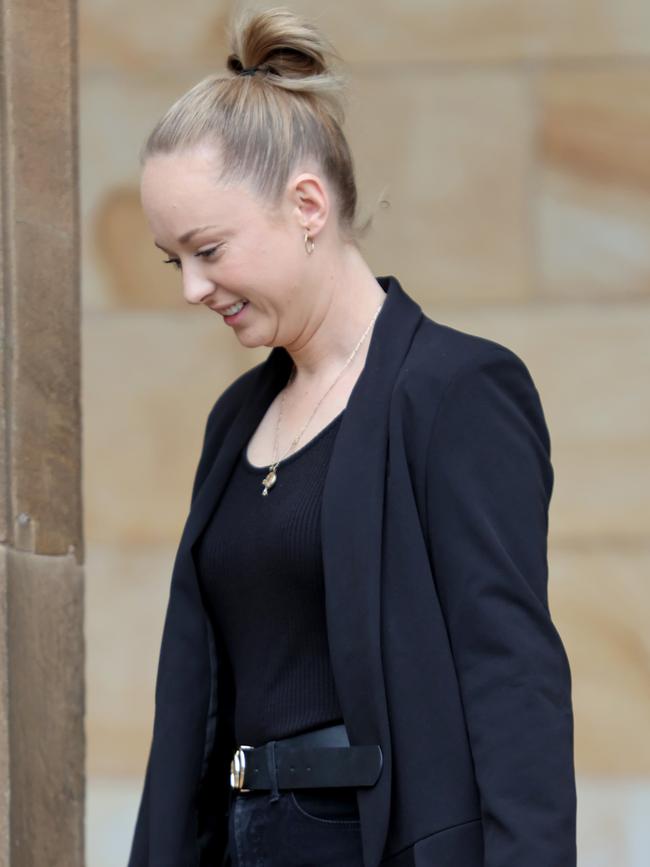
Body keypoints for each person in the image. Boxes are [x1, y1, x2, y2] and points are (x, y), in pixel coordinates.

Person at [128, 6, 577, 867]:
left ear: (307, 204)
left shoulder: (455, 391)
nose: (191, 287)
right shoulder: (235, 421)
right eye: (171, 260)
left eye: (208, 248)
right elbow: (198, 701)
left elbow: (513, 683)